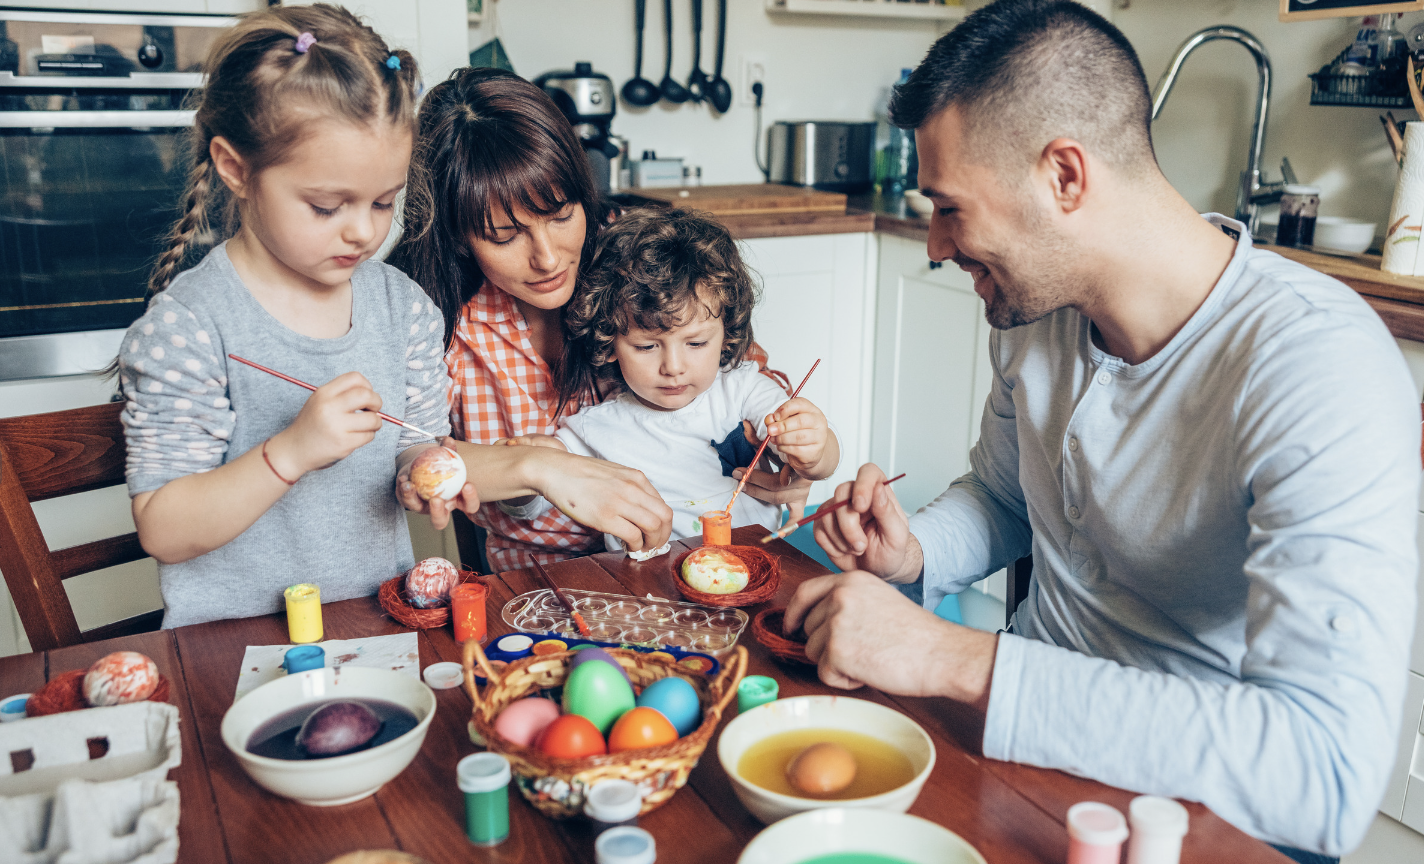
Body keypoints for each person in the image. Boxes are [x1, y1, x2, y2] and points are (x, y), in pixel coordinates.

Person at [786, 2, 1420, 862]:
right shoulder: (1030, 308)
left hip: (1193, 812)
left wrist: (949, 657)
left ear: (1066, 178)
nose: (935, 244)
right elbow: (1010, 495)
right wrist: (916, 555)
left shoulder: (1316, 366)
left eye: (948, 207)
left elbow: (1321, 774)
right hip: (1012, 750)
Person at [118, 5, 461, 627]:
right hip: (231, 652)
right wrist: (292, 452)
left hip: (371, 630)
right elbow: (164, 529)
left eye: (384, 201)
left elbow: (417, 446)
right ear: (236, 169)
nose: (363, 231)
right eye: (327, 206)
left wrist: (421, 475)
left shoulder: (403, 308)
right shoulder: (188, 327)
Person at [388, 68, 808, 571]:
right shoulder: (428, 315)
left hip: (685, 555)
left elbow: (739, 365)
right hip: (540, 578)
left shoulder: (629, 254)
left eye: (561, 215)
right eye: (504, 236)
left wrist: (782, 447)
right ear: (458, 235)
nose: (547, 257)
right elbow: (412, 462)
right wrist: (540, 467)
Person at [499, 207, 839, 552]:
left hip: (753, 563)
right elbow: (525, 508)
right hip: (649, 590)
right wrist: (529, 468)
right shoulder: (591, 430)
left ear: (726, 334)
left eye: (696, 343)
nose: (673, 367)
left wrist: (815, 447)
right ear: (610, 342)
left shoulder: (745, 388)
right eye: (646, 346)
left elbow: (818, 460)